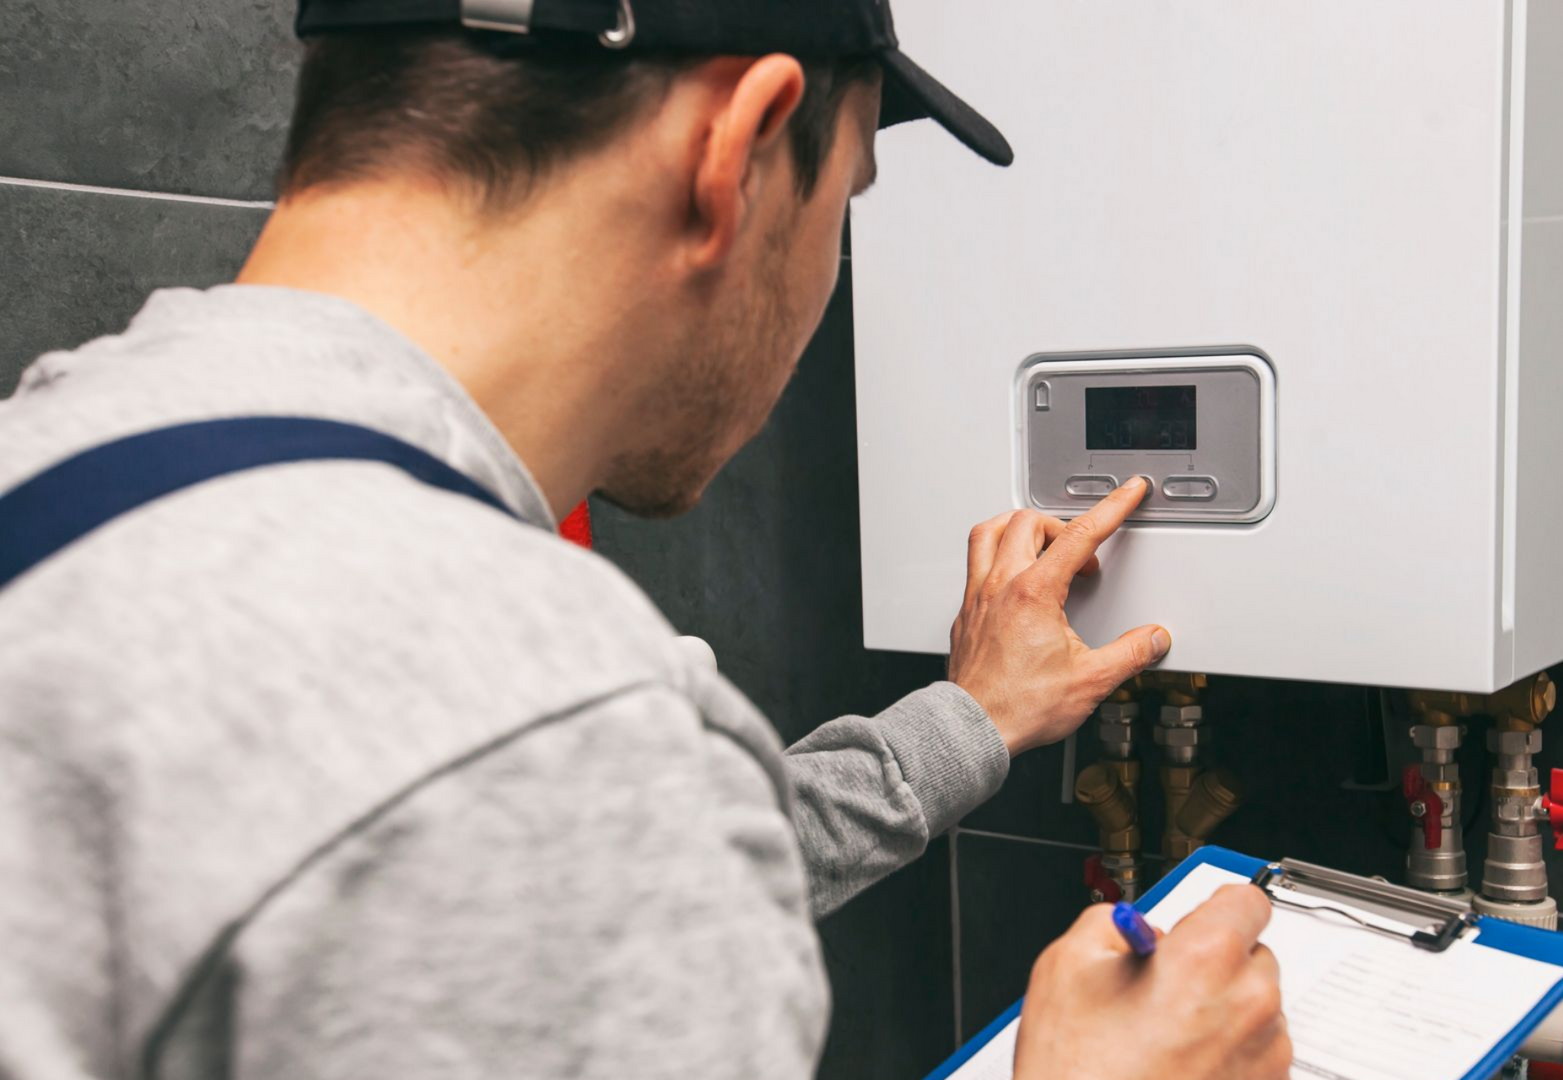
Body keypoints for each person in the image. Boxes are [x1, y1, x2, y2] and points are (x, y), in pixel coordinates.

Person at [0, 2, 1292, 1078]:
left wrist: (969, 718)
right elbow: (536, 808)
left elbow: (505, 896)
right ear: (735, 149)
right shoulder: (543, 723)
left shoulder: (64, 453)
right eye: (845, 198)